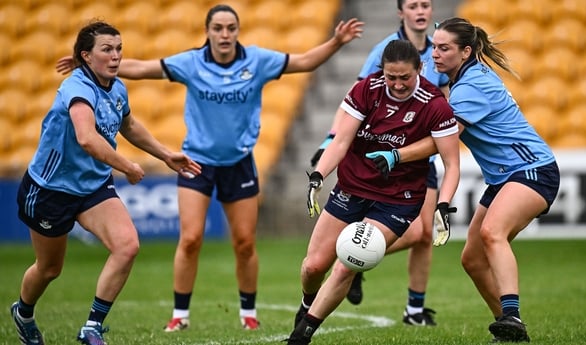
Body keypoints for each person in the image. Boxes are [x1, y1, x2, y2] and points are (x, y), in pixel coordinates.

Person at [56, 4, 363, 331]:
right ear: (208, 32)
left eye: (231, 28)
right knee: (190, 239)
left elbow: (303, 62)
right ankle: (180, 315)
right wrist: (89, 66)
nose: (225, 34)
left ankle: (248, 313)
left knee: (244, 242)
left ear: (237, 31)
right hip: (196, 163)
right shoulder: (191, 62)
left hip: (239, 163)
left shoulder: (256, 61)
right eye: (218, 28)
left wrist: (336, 42)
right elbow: (142, 67)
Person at [11, 21, 201, 345]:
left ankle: (92, 327)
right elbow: (87, 138)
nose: (115, 56)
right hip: (50, 189)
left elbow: (128, 124)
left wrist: (166, 154)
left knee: (127, 246)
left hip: (93, 185)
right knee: (49, 269)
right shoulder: (77, 89)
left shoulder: (116, 87)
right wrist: (127, 166)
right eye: (107, 50)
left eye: (119, 49)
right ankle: (23, 312)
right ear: (86, 56)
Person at [286, 39, 460, 345]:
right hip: (352, 187)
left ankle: (301, 335)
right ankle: (306, 303)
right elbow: (340, 142)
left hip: (398, 199)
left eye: (405, 77)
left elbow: (451, 163)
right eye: (391, 77)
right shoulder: (367, 89)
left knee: (346, 263)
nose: (398, 84)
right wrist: (317, 176)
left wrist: (443, 205)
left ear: (420, 69)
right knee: (313, 266)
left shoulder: (434, 104)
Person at [403, 17, 560, 342]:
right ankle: (509, 329)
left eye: (444, 48)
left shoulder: (473, 85)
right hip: (506, 177)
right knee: (472, 259)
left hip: (533, 170)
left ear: (466, 52)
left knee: (492, 233)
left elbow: (443, 140)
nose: (435, 54)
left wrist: (396, 154)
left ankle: (512, 315)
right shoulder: (463, 79)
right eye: (435, 47)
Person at [309, 0, 448, 326]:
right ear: (401, 13)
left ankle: (413, 309)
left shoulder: (440, 51)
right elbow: (354, 102)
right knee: (416, 233)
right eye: (412, 5)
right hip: (379, 158)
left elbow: (443, 99)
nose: (420, 11)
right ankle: (356, 254)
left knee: (422, 235)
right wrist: (330, 141)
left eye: (425, 4)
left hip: (416, 156)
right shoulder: (384, 51)